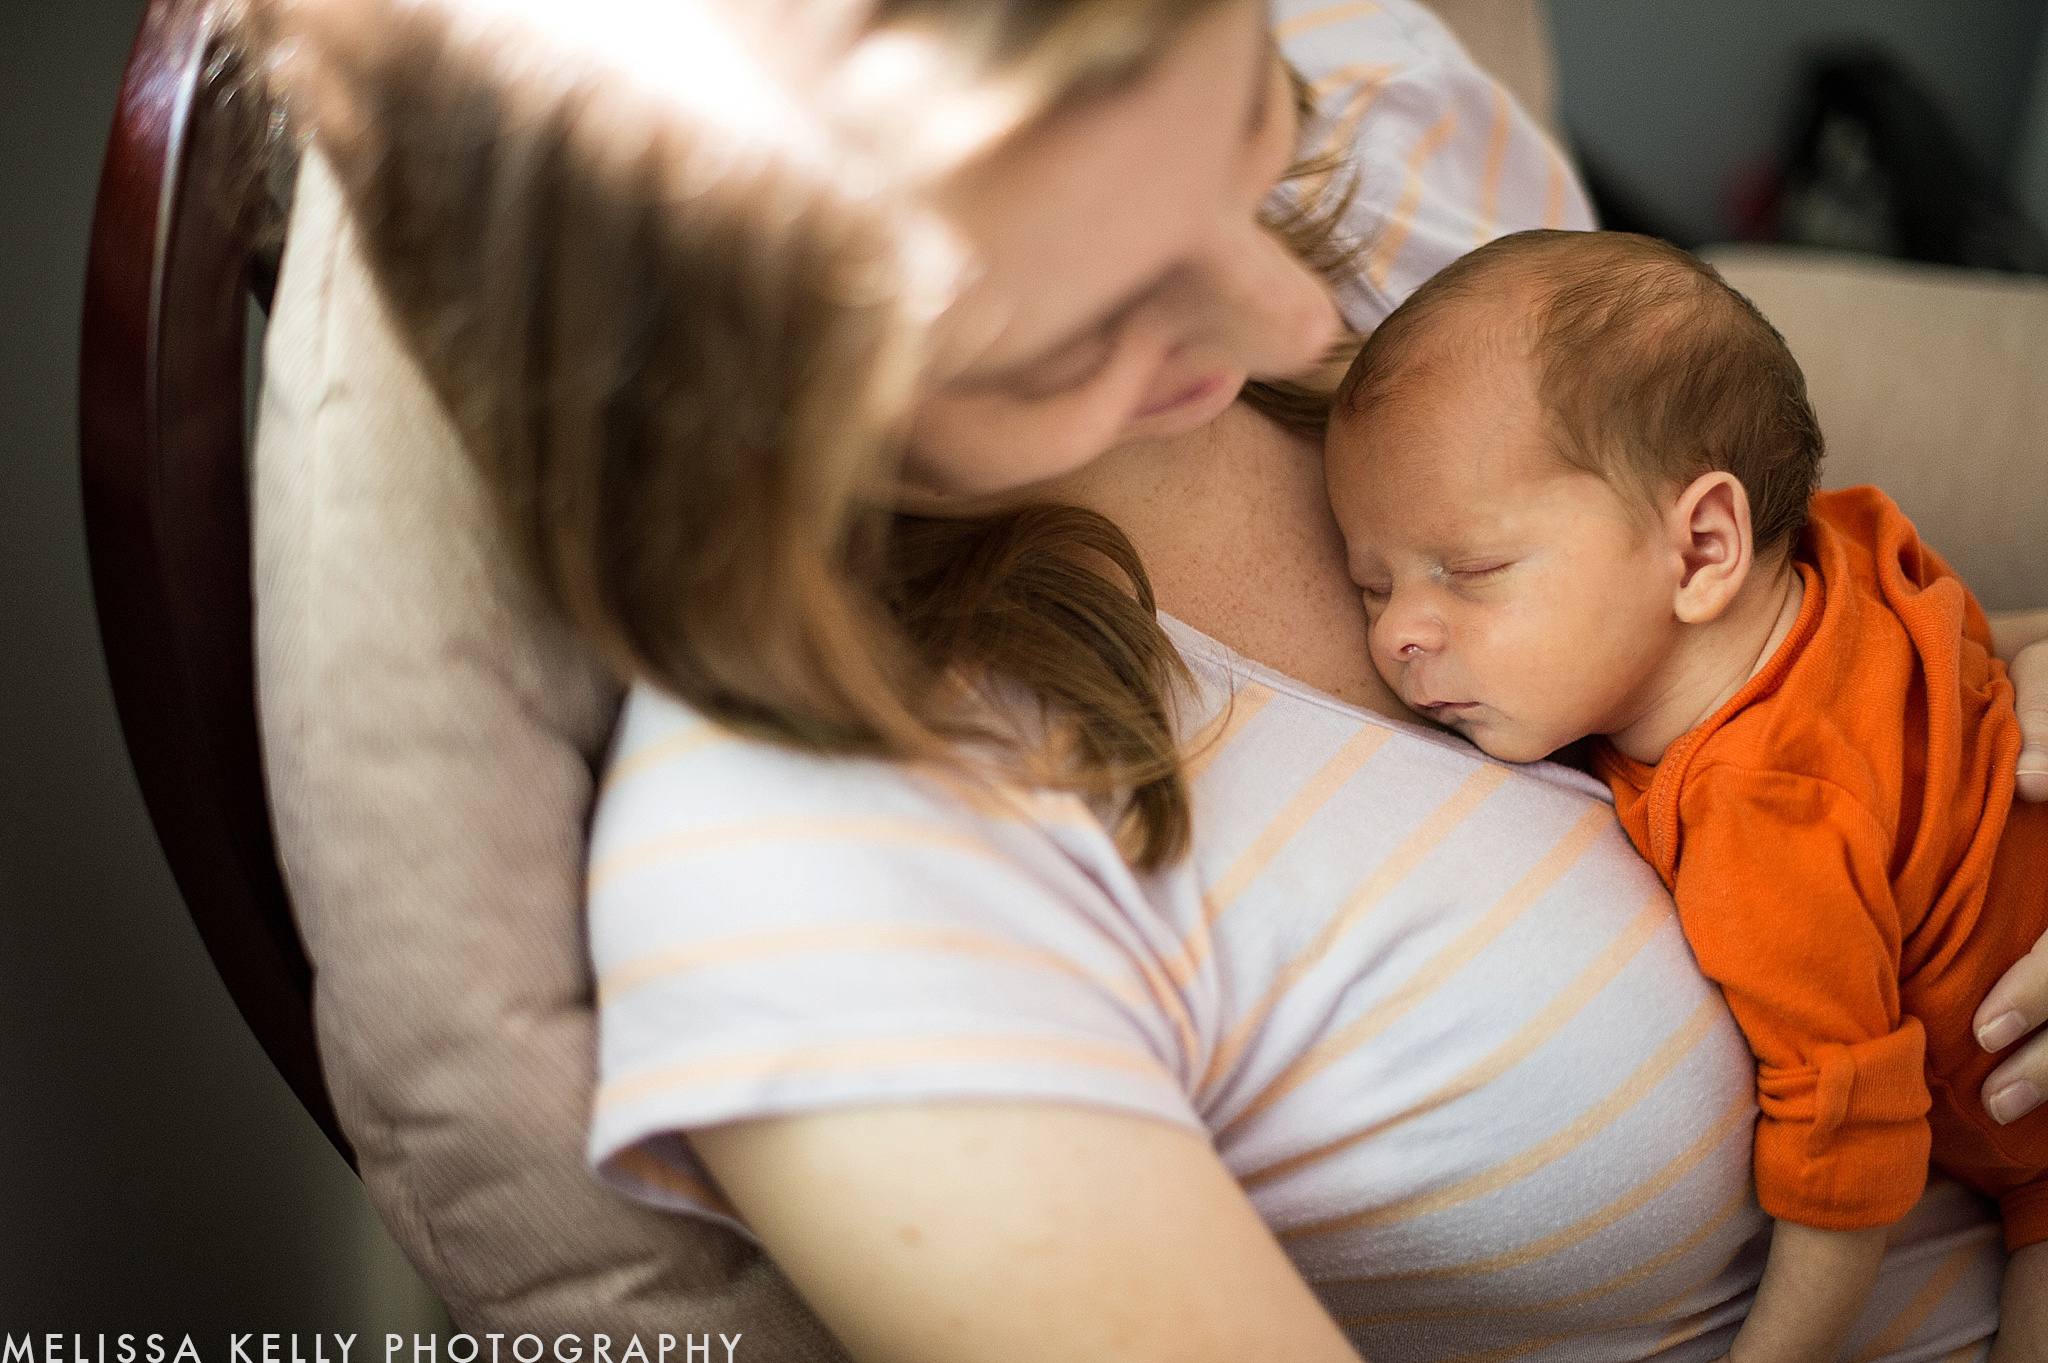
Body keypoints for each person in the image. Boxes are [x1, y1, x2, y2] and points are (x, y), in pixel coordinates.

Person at [252, 0, 2048, 1355]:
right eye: (1087, 323)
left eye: (1244, 132)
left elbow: (1773, 614)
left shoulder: (1363, 109)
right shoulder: (855, 891)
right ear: (765, 422)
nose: (1294, 326)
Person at [1322, 227, 2048, 1361]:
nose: (1395, 632)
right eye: (1371, 582)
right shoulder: (1837, 546)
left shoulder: (1766, 814)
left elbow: (1845, 1132)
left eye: (1467, 572)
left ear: (1701, 545)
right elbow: (1965, 637)